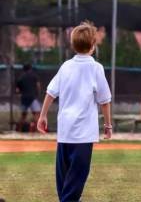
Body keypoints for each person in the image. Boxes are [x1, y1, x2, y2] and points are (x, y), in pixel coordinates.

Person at [37, 21, 112, 202]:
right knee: (78, 175)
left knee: (63, 178)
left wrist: (43, 115)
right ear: (93, 45)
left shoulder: (66, 66)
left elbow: (50, 92)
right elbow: (105, 100)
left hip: (65, 131)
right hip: (84, 134)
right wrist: (107, 124)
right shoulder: (96, 68)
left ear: (73, 44)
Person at [16, 63, 41, 132]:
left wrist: (20, 95)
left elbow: (17, 90)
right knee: (36, 113)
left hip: (24, 98)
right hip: (32, 97)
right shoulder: (34, 76)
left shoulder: (20, 78)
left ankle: (19, 130)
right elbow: (38, 86)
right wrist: (37, 94)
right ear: (30, 69)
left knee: (23, 115)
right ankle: (37, 130)